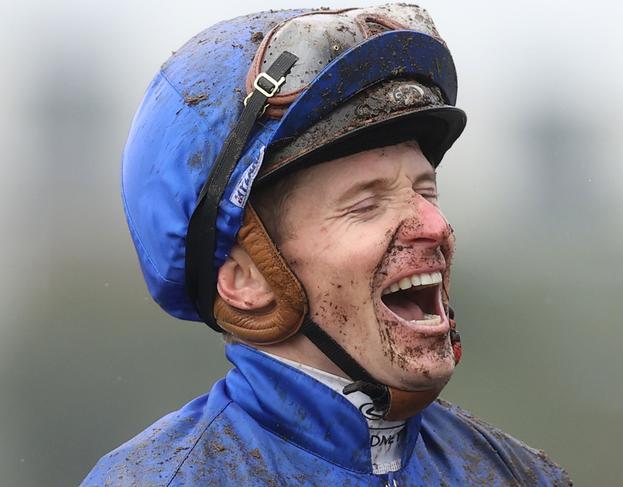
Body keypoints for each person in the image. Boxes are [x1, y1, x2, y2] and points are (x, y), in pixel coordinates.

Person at [82, 4, 572, 486]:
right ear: (247, 278)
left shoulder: (521, 475)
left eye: (426, 191)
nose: (433, 226)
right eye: (366, 204)